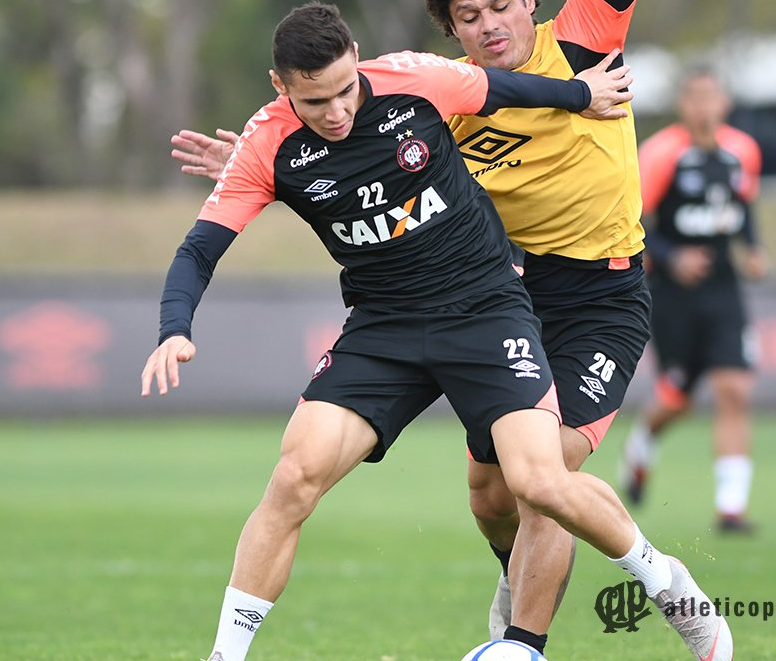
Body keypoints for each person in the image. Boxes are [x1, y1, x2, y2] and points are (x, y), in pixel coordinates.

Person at [145, 4, 733, 661]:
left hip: (552, 300)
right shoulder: (341, 118)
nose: (337, 111)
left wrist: (581, 93)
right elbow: (209, 242)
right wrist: (258, 181)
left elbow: (514, 88)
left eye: (500, 4)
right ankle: (224, 657)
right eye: (469, 13)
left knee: (541, 478)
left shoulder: (453, 73)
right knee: (346, 481)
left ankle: (589, 619)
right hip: (395, 320)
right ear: (283, 87)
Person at [619, 68, 766, 533]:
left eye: (712, 97)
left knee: (734, 390)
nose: (705, 107)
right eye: (696, 98)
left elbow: (742, 206)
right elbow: (632, 217)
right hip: (674, 292)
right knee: (677, 398)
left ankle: (731, 508)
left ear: (724, 102)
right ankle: (641, 445)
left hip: (724, 287)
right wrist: (671, 256)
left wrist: (753, 248)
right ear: (684, 105)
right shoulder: (663, 153)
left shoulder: (742, 150)